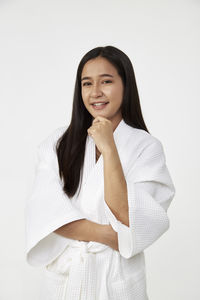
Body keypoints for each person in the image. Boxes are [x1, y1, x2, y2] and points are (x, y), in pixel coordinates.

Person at [25, 45, 176, 300]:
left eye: (106, 81)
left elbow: (129, 217)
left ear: (125, 85)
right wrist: (110, 236)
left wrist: (109, 147)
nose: (96, 92)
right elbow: (45, 213)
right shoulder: (58, 142)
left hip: (116, 279)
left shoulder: (147, 148)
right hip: (66, 279)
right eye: (87, 84)